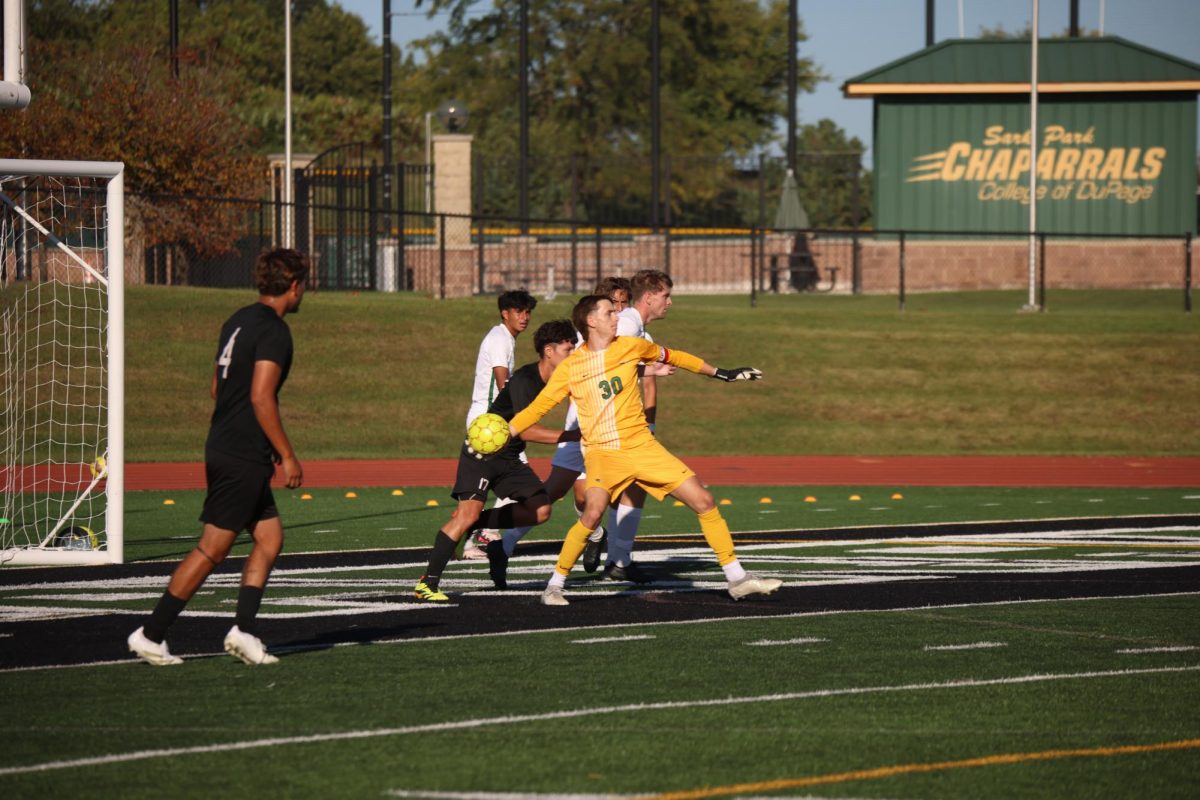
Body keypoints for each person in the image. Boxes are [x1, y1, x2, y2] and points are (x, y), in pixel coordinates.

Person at [508, 294, 779, 606]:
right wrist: (507, 432)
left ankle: (737, 579)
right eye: (610, 312)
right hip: (602, 454)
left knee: (704, 500)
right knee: (592, 513)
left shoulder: (631, 346)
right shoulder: (570, 368)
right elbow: (538, 409)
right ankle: (554, 586)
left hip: (642, 447)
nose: (616, 316)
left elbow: (673, 356)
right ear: (591, 321)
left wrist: (722, 372)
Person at [127, 248, 309, 666]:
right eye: (304, 286)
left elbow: (215, 388)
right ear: (294, 286)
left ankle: (244, 631)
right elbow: (261, 396)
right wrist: (288, 454)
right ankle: (151, 633)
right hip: (243, 452)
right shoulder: (275, 331)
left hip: (224, 443)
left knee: (269, 537)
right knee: (212, 549)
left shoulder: (238, 320)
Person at [414, 320, 580, 600]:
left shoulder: (562, 378)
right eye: (568, 349)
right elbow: (523, 427)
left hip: (510, 455)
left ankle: (481, 528)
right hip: (483, 453)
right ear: (549, 351)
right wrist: (572, 435)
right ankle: (427, 584)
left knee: (540, 510)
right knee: (465, 515)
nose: (573, 354)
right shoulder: (526, 380)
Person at [503, 277, 631, 568]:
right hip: (579, 428)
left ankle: (619, 561)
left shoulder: (631, 337)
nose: (620, 310)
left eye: (624, 303)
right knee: (554, 490)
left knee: (602, 495)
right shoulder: (580, 338)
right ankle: (507, 541)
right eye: (613, 305)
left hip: (609, 432)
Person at [598, 269, 677, 583]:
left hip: (626, 425)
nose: (670, 302)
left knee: (628, 491)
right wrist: (650, 369)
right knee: (589, 499)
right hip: (610, 422)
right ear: (650, 296)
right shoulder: (629, 322)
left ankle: (619, 560)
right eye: (666, 295)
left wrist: (651, 427)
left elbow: (642, 376)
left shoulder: (641, 332)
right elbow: (613, 361)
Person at [463, 289, 538, 559]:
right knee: (524, 481)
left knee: (486, 482)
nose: (525, 316)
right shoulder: (500, 340)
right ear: (505, 313)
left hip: (492, 422)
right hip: (490, 424)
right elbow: (502, 381)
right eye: (519, 311)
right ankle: (480, 532)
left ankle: (472, 537)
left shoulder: (505, 338)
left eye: (528, 311)